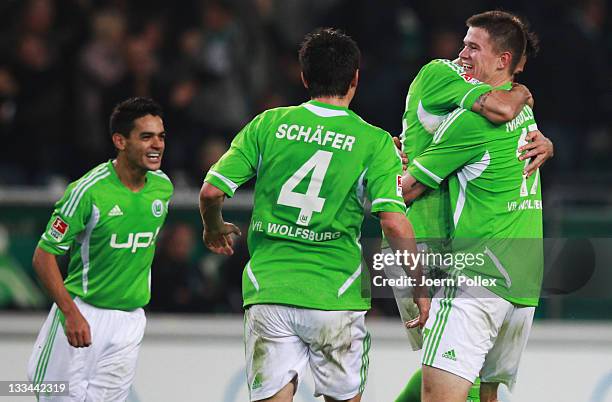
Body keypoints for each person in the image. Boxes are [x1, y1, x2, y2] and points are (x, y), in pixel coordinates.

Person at [199, 28, 429, 402]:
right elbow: (392, 220)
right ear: (355, 78)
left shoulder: (267, 124)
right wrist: (419, 286)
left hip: (270, 289)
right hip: (335, 295)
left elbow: (211, 191)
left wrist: (212, 228)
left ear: (304, 77)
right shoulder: (375, 142)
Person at [385, 11, 554, 402]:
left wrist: (545, 137)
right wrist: (522, 93)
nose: (461, 53)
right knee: (456, 377)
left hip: (466, 250)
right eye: (463, 44)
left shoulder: (495, 102)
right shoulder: (444, 76)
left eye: (472, 46)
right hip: (421, 240)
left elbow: (502, 114)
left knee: (455, 376)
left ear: (505, 59)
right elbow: (501, 110)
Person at [27, 97, 173, 401]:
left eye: (160, 136)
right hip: (83, 312)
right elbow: (43, 256)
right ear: (120, 141)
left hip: (130, 321)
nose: (156, 144)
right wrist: (71, 313)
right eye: (146, 136)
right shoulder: (87, 192)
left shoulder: (163, 187)